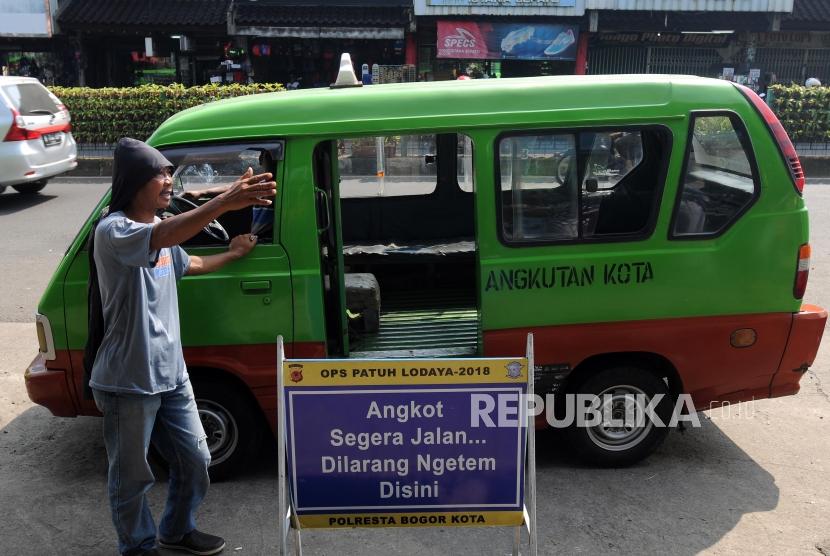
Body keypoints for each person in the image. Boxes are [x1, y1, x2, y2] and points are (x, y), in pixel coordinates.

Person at [84, 137, 277, 556]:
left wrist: (234, 253)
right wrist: (224, 201)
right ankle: (137, 547)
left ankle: (175, 530)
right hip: (128, 380)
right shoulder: (115, 231)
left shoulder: (165, 241)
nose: (169, 180)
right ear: (135, 182)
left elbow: (195, 261)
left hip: (172, 376)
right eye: (161, 173)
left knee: (196, 460)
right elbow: (163, 234)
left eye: (171, 172)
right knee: (132, 477)